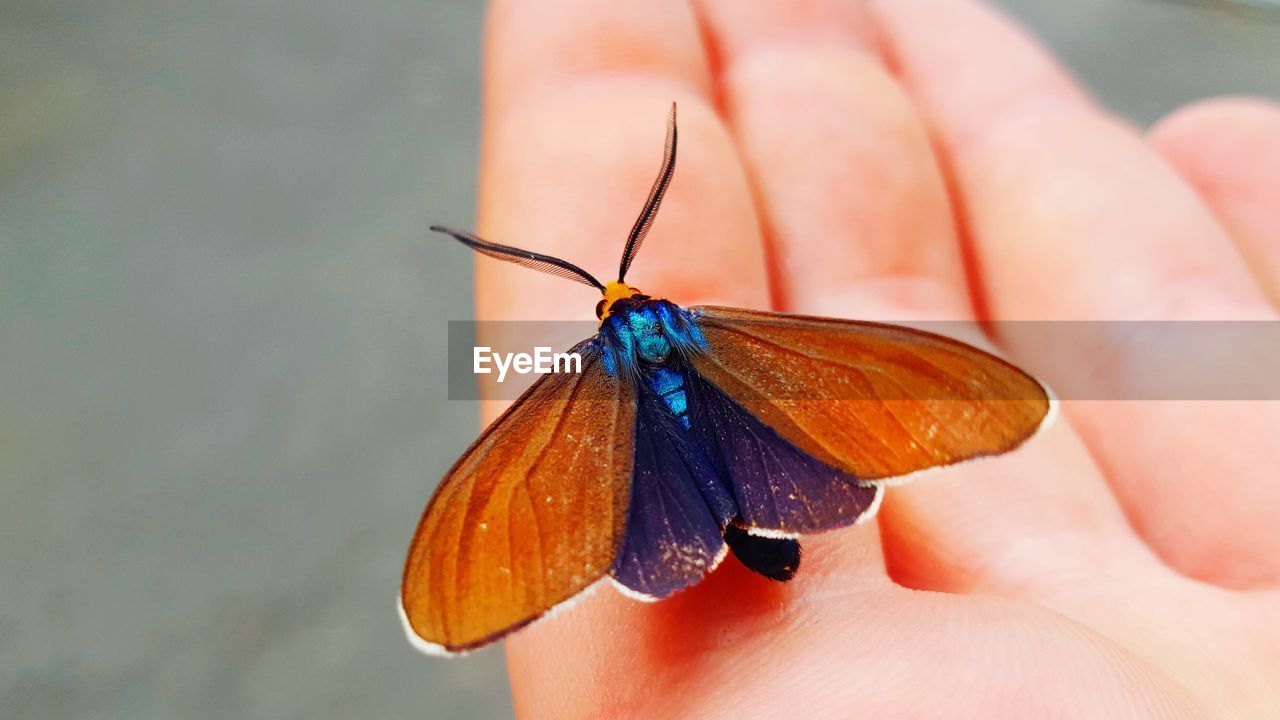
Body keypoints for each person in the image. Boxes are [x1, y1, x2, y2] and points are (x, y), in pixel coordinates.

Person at [466, 0, 1280, 716]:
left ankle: (704, 506)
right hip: (764, 488)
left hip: (675, 508)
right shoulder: (716, 333)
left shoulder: (578, 377)